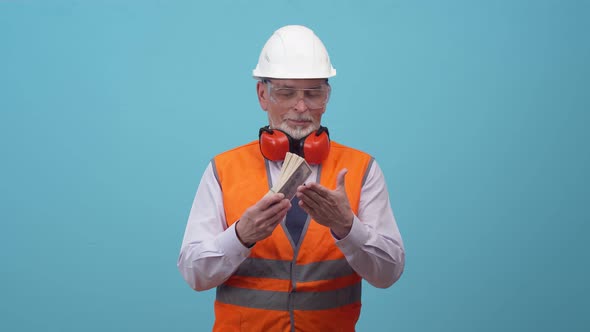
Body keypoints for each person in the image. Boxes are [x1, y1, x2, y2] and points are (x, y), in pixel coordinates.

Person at [177, 25, 405, 332]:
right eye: (286, 93)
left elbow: (388, 273)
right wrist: (240, 235)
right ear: (263, 95)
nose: (301, 107)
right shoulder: (223, 169)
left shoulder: (362, 169)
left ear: (327, 97)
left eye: (314, 93)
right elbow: (195, 275)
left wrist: (347, 227)